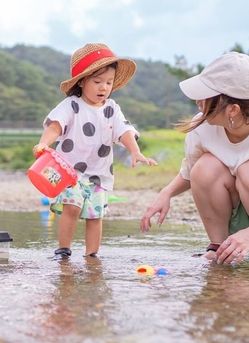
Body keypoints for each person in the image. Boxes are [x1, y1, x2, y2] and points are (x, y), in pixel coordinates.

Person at [140, 52, 249, 266]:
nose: (198, 101)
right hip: (240, 213)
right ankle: (219, 247)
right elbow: (191, 173)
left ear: (233, 109)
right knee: (204, 166)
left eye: (205, 95)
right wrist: (166, 193)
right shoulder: (202, 127)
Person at [34, 43, 157, 260]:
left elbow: (125, 130)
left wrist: (135, 151)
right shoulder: (71, 106)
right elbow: (55, 126)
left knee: (95, 215)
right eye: (97, 81)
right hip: (68, 173)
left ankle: (92, 255)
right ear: (81, 82)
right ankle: (63, 249)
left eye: (109, 83)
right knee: (72, 206)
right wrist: (44, 144)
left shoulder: (111, 109)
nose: (104, 88)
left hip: (99, 175)